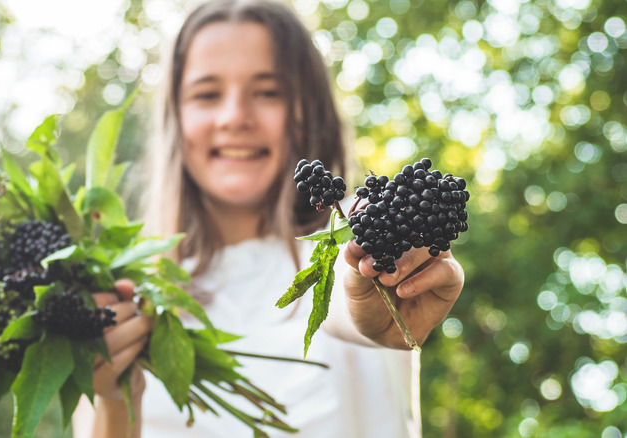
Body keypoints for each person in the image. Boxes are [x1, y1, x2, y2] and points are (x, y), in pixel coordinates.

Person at [73, 0, 465, 437]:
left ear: (307, 112)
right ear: (177, 119)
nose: (235, 117)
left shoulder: (345, 240)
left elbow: (344, 289)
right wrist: (112, 397)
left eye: (268, 92)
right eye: (207, 94)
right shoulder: (126, 299)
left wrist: (376, 286)